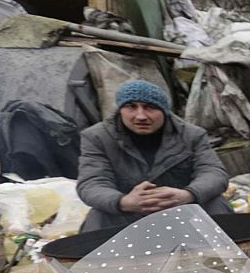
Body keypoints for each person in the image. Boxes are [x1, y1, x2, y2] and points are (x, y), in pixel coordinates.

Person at [75, 79, 230, 231]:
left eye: (150, 107)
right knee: (99, 216)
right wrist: (123, 201)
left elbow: (213, 172)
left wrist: (188, 194)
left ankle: (230, 253)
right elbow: (91, 183)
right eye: (131, 107)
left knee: (216, 203)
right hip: (129, 215)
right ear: (120, 110)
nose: (141, 116)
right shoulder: (97, 137)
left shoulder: (191, 135)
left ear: (164, 111)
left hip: (183, 209)